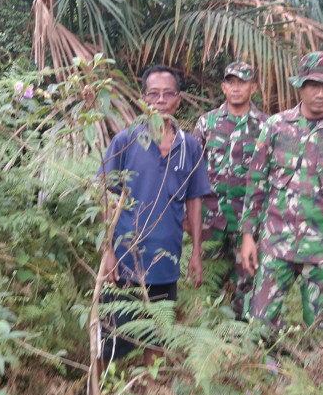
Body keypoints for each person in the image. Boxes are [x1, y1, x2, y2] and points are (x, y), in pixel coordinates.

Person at [239, 51, 323, 331]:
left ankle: (313, 371)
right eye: (313, 84)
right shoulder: (275, 127)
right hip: (276, 244)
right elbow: (256, 183)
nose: (320, 93)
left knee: (321, 330)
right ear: (300, 85)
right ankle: (264, 369)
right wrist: (247, 235)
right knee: (259, 324)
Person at [97, 65, 210, 365]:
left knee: (157, 338)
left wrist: (196, 252)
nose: (160, 100)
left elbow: (195, 201)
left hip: (165, 262)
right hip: (124, 262)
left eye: (168, 93)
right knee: (109, 343)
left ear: (179, 98)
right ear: (143, 98)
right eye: (153, 93)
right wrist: (108, 251)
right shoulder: (125, 141)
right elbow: (106, 198)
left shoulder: (190, 147)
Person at [193, 61, 268, 316]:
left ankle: (242, 334)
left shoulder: (266, 126)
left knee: (246, 280)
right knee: (206, 281)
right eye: (231, 83)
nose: (236, 88)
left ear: (253, 87)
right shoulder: (207, 123)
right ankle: (206, 334)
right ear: (224, 87)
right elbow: (194, 169)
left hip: (247, 219)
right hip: (210, 218)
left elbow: (270, 174)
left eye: (243, 82)